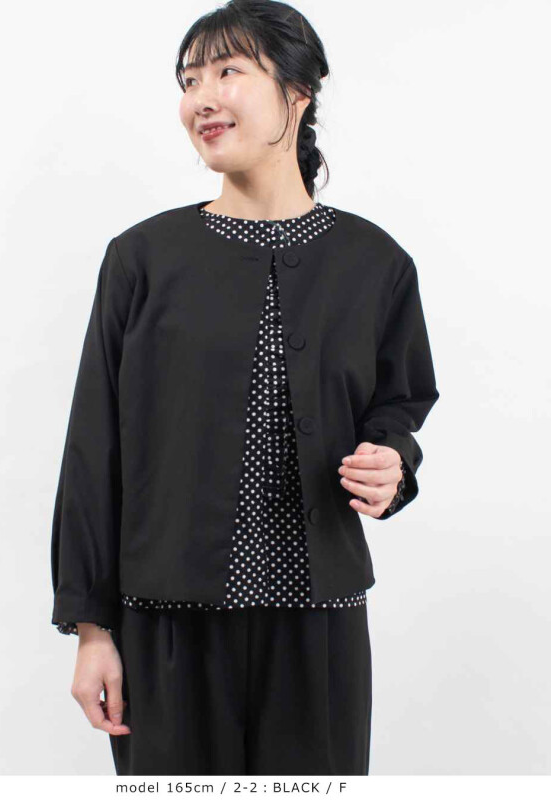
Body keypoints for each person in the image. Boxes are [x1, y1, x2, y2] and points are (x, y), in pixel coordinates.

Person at [50, 0, 440, 776]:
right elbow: (94, 448)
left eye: (227, 71)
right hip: (166, 625)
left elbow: (399, 409)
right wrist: (92, 629)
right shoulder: (142, 259)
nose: (202, 97)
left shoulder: (376, 265)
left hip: (319, 624)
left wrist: (393, 464)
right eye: (189, 80)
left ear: (299, 92)